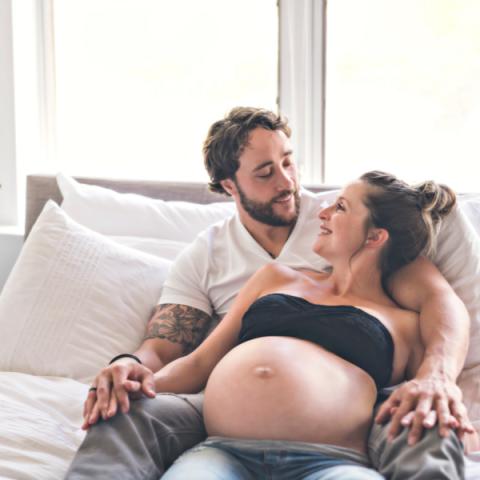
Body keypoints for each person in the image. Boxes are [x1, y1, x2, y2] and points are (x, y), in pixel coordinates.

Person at [65, 108, 472, 480]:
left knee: (428, 425)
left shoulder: (361, 247)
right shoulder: (243, 267)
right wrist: (129, 371)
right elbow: (179, 353)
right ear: (230, 184)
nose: (287, 182)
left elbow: (444, 305)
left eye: (289, 161)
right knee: (124, 412)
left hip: (333, 450)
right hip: (222, 440)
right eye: (265, 173)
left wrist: (437, 377)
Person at [157, 170, 459, 479]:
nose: (323, 213)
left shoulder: (404, 323)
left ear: (375, 236)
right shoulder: (275, 277)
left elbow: (426, 396)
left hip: (331, 463)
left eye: (340, 207)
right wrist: (134, 380)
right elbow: (199, 363)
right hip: (222, 454)